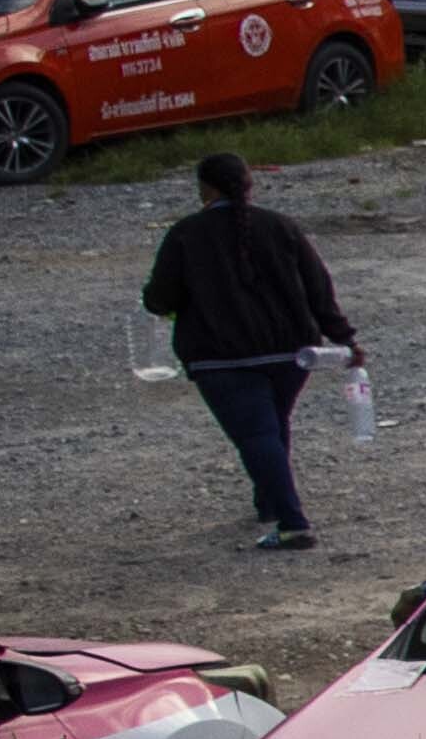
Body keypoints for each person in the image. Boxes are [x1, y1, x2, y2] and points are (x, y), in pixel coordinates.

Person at [143, 152, 355, 551]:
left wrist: (154, 299)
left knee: (257, 434)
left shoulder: (186, 234)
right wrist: (345, 339)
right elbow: (319, 289)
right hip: (291, 355)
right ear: (249, 184)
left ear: (204, 188)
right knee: (271, 427)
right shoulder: (281, 226)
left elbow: (160, 299)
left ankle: (293, 524)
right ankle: (270, 502)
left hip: (221, 358)